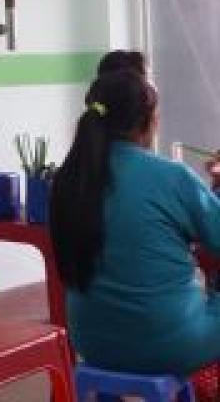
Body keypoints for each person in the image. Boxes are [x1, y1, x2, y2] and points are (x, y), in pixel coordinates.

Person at [49, 64, 220, 377]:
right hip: (170, 343)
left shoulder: (69, 179)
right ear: (148, 122)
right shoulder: (172, 177)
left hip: (91, 341)